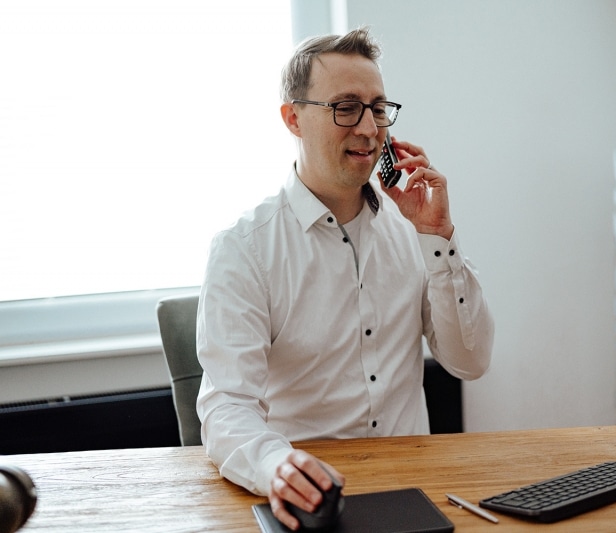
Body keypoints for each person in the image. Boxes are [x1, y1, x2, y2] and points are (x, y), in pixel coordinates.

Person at [196, 27, 494, 531]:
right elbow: (227, 405)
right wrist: (275, 465)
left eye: (378, 108)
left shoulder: (413, 228)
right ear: (294, 117)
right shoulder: (243, 249)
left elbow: (469, 361)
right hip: (315, 499)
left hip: (415, 489)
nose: (368, 128)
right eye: (345, 107)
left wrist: (439, 236)